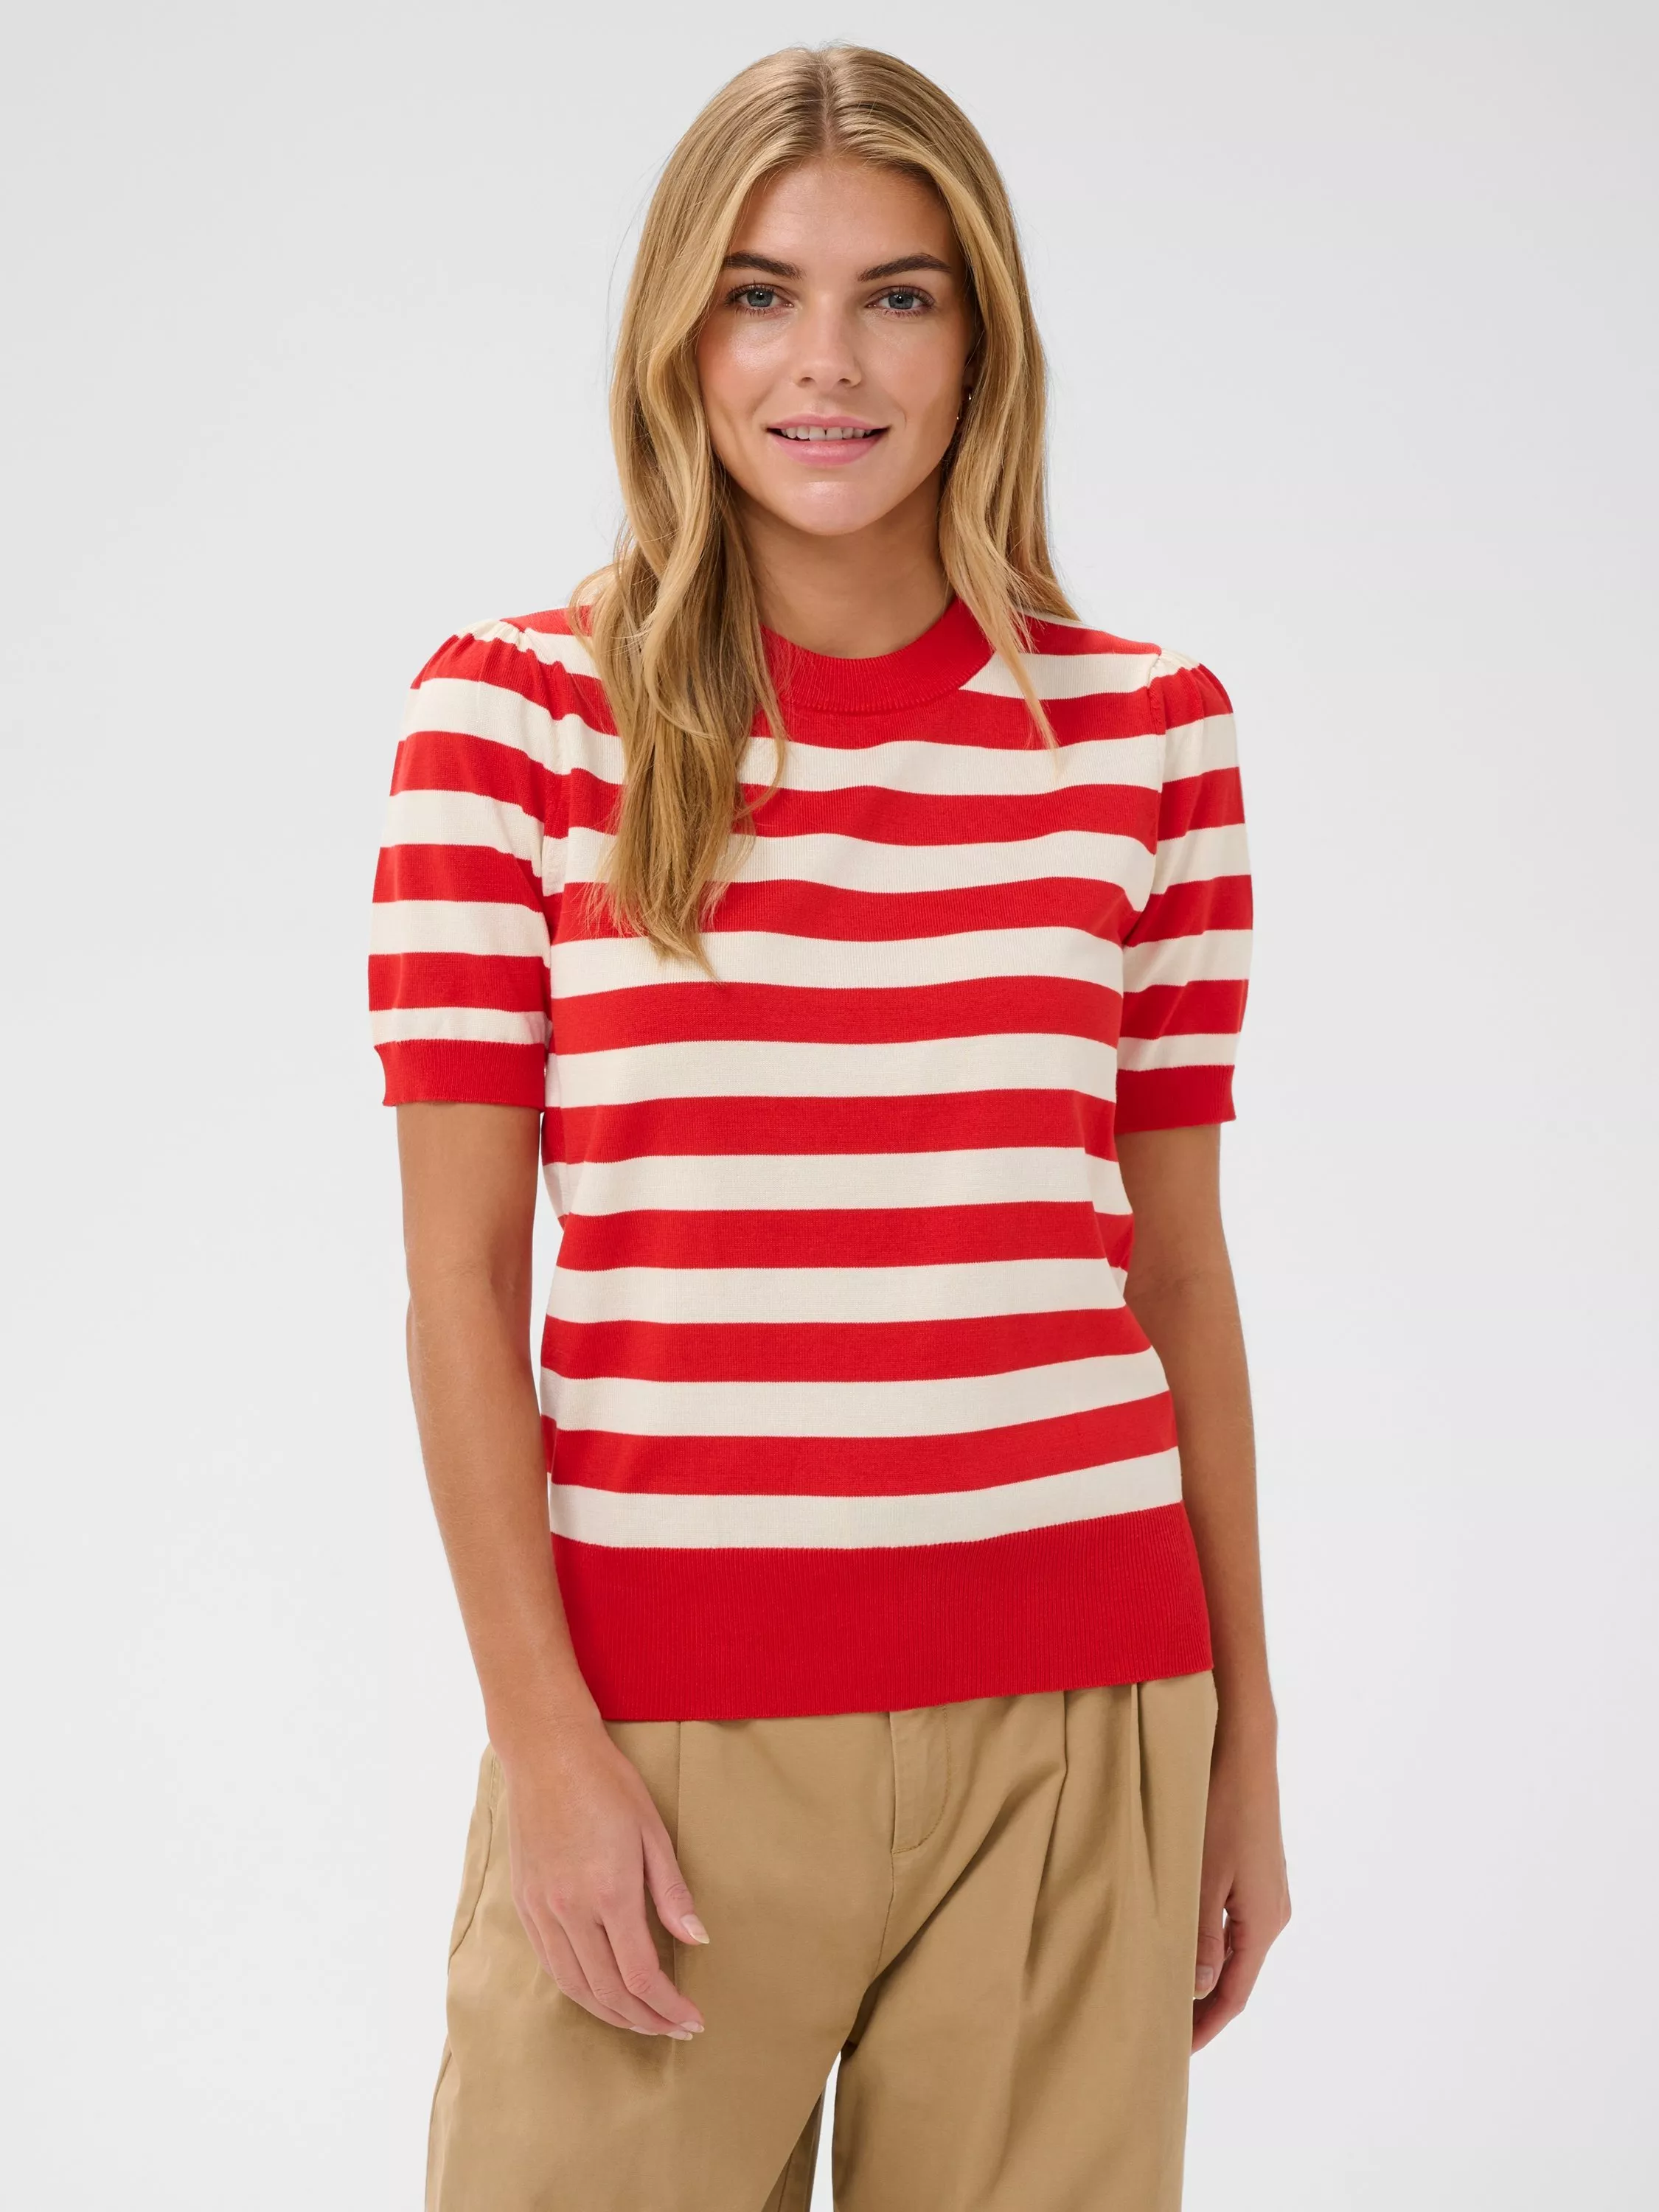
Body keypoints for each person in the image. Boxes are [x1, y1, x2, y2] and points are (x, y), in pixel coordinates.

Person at [369, 41, 1290, 2212]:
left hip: (1080, 1718)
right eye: (762, 295)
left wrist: (1244, 1751)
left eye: (900, 296)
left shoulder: (1148, 737)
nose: (830, 365)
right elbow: (459, 1288)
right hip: (666, 1734)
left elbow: (1176, 1273)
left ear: (983, 338)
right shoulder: (513, 722)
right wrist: (548, 1747)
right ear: (678, 335)